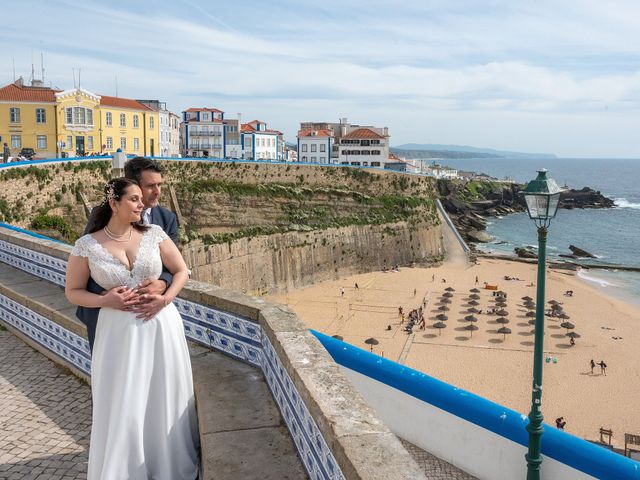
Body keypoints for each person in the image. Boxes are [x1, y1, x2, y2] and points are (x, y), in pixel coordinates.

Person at [65, 178, 199, 479]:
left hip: (161, 326)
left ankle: (165, 464)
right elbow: (72, 292)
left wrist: (164, 298)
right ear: (114, 203)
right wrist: (107, 299)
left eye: (142, 199)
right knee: (124, 399)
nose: (142, 205)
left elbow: (181, 271)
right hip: (117, 333)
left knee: (163, 395)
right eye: (135, 199)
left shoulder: (155, 234)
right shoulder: (86, 245)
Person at [76, 157, 178, 351]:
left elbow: (175, 265)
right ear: (133, 185)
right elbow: (89, 258)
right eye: (150, 186)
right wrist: (105, 296)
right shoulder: (102, 215)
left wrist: (163, 282)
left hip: (150, 315)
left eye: (160, 185)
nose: (157, 191)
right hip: (107, 316)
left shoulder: (167, 219)